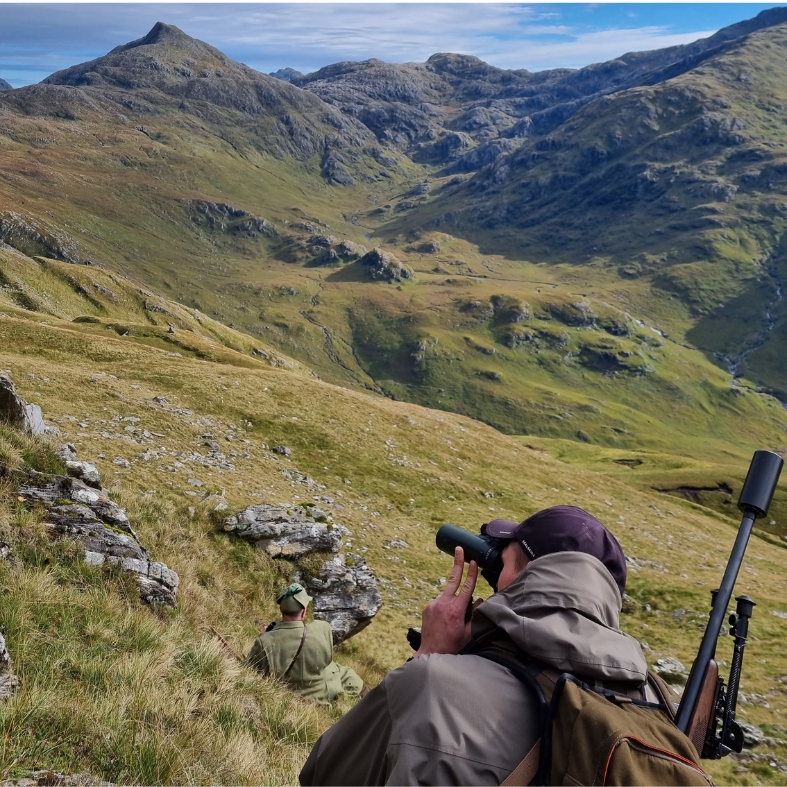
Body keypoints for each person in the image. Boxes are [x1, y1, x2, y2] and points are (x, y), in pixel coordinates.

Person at [300, 505, 650, 785]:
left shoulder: (433, 685)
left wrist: (428, 658)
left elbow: (323, 772)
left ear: (520, 578)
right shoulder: (653, 708)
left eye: (501, 563)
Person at [245, 582, 364, 705]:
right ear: (303, 612)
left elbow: (247, 671)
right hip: (328, 690)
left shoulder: (264, 642)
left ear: (281, 608)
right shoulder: (322, 629)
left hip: (302, 694)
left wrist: (265, 638)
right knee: (350, 677)